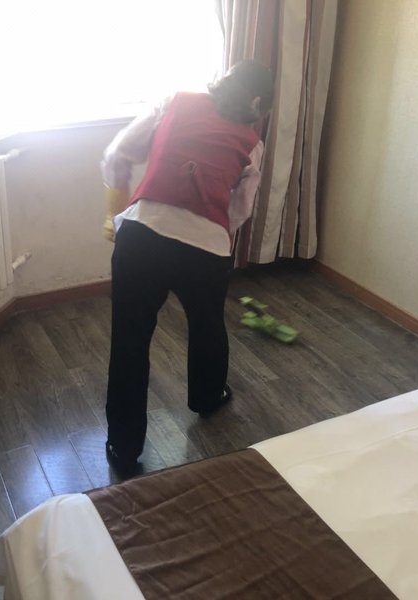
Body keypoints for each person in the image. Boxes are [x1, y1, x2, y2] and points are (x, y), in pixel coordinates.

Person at [100, 60, 273, 477]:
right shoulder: (252, 143)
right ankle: (208, 397)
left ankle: (123, 446)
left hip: (141, 235)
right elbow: (241, 208)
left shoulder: (174, 102)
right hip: (205, 249)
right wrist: (213, 232)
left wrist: (114, 211)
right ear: (256, 103)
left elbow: (117, 153)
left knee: (129, 341)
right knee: (208, 325)